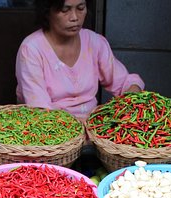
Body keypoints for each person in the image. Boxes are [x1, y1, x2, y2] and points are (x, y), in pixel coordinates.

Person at [15, 0, 144, 121]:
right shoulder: (31, 49)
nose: (75, 17)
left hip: (93, 129)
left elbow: (125, 82)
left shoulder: (94, 42)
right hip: (53, 133)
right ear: (47, 12)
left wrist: (131, 98)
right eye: (65, 10)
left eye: (81, 8)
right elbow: (40, 110)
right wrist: (83, 129)